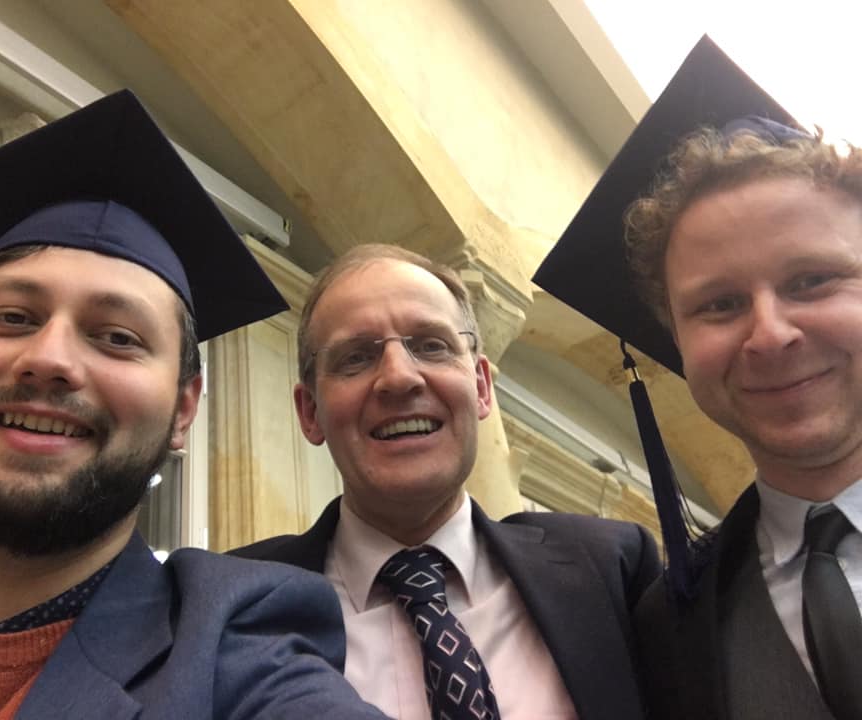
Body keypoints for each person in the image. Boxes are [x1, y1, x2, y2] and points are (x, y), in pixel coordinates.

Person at [0, 90, 390, 719]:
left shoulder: (238, 655)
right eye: (12, 317)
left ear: (184, 411)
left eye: (117, 337)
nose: (49, 358)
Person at [535, 35, 862, 720]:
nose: (769, 333)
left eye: (811, 280)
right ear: (677, 341)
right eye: (720, 305)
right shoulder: (667, 626)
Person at [232, 242, 661, 720]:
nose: (399, 378)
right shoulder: (231, 609)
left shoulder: (610, 569)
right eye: (355, 358)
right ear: (310, 412)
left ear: (481, 387)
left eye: (431, 346)